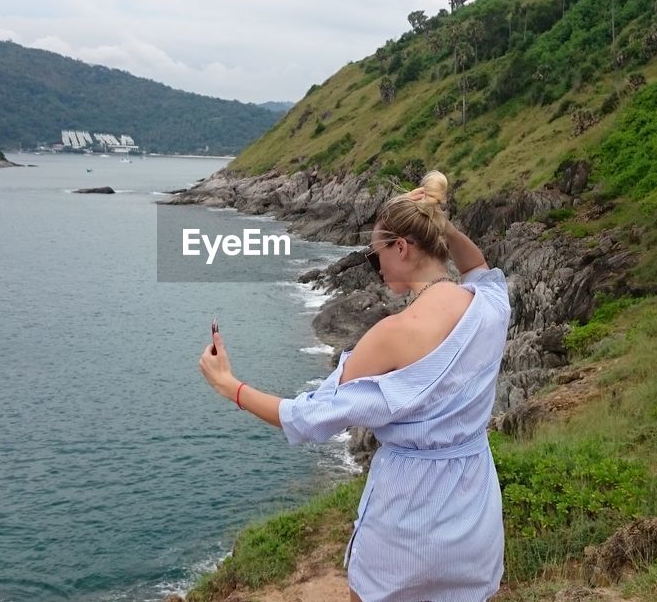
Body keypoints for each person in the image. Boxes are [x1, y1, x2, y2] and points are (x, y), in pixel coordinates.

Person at [197, 170, 512, 602]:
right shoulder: (490, 307)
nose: (374, 266)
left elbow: (306, 418)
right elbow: (477, 267)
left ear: (401, 247)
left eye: (374, 255)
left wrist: (229, 385)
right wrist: (442, 223)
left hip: (407, 519)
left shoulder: (392, 334)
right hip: (475, 508)